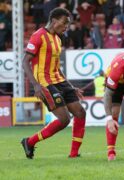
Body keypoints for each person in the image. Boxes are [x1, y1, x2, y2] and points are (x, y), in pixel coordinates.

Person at [21, 7, 86, 159]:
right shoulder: (38, 36)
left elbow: (56, 66)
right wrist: (36, 85)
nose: (66, 27)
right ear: (54, 21)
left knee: (80, 113)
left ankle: (74, 154)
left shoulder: (57, 39)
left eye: (68, 24)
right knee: (64, 120)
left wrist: (70, 86)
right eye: (64, 23)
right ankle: (29, 142)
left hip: (60, 81)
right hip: (45, 83)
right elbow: (25, 62)